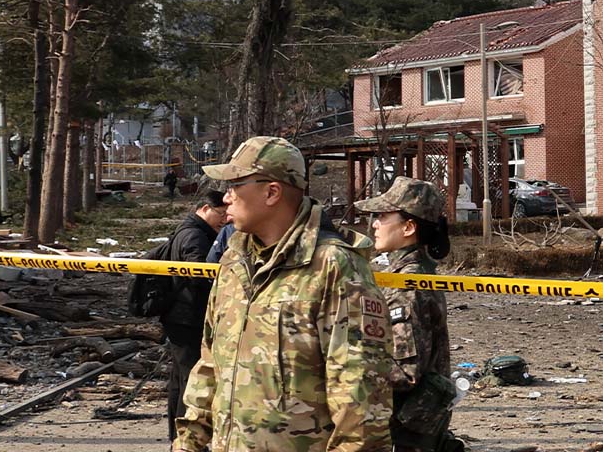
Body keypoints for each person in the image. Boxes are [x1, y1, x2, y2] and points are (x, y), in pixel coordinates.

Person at [174, 136, 394, 452]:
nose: (226, 197)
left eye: (236, 185)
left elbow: (361, 395)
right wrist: (188, 442)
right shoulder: (234, 261)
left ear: (272, 192)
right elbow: (210, 364)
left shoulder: (333, 266)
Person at [358, 177, 458, 452]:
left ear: (409, 227)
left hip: (405, 432)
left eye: (382, 216)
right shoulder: (410, 275)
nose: (375, 224)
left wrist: (346, 365)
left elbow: (405, 372)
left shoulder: (408, 284)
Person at [162, 189, 229, 441]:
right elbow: (199, 274)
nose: (224, 219)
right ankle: (184, 438)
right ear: (204, 209)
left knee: (180, 379)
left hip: (181, 315)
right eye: (220, 214)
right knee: (190, 380)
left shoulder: (190, 231)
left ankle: (176, 437)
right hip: (188, 316)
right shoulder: (195, 236)